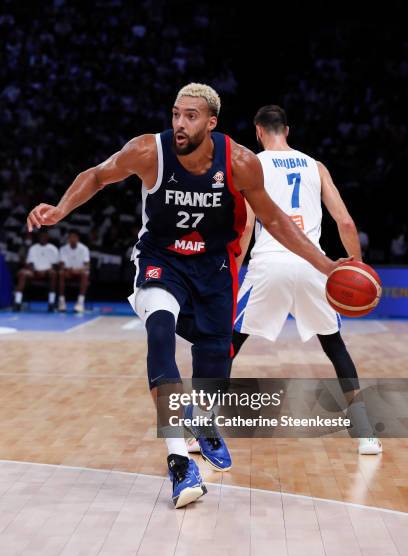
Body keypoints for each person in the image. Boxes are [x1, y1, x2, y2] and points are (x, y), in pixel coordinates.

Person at [26, 84, 348, 509]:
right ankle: (180, 463)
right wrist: (59, 210)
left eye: (191, 116)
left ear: (211, 122)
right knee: (160, 332)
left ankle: (203, 420)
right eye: (177, 114)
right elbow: (98, 175)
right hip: (162, 260)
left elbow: (275, 219)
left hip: (214, 268)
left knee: (213, 364)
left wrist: (326, 265)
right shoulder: (148, 151)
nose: (180, 123)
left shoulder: (239, 162)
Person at [230, 105, 381, 455]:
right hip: (315, 264)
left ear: (258, 131)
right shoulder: (315, 166)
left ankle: (199, 427)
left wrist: (233, 271)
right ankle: (364, 430)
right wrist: (354, 267)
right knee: (334, 346)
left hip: (269, 264)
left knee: (230, 343)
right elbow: (344, 222)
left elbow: (248, 225)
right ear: (288, 130)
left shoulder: (252, 164)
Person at [13, 229, 59, 312]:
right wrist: (35, 270)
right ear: (38, 237)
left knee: (53, 273)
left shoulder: (53, 249)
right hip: (34, 272)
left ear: (48, 237)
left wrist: (46, 271)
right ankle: (17, 303)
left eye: (44, 236)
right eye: (41, 236)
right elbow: (30, 264)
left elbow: (55, 265)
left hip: (47, 272)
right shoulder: (33, 248)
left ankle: (51, 303)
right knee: (22, 273)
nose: (43, 237)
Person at [58, 230, 90, 313]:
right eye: (71, 237)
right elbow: (61, 265)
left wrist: (77, 270)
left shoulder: (84, 249)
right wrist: (69, 270)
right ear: (68, 239)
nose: (73, 239)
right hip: (67, 272)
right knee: (61, 273)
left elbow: (87, 266)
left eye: (74, 237)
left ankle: (80, 303)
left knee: (85, 274)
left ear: (78, 238)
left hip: (79, 273)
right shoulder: (63, 249)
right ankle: (62, 302)